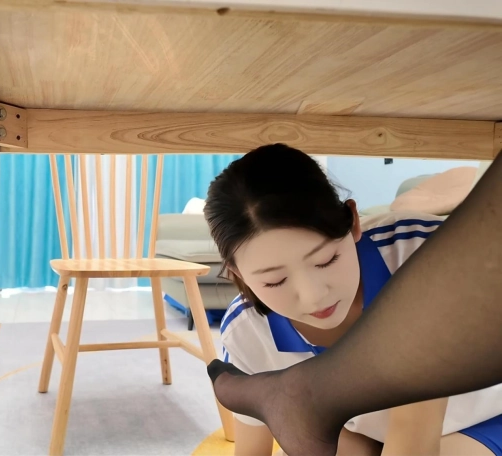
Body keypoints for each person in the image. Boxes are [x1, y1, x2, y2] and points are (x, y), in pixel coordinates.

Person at [202, 143, 502, 456]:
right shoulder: (247, 329)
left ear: (354, 222)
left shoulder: (428, 253)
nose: (314, 297)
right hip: (370, 435)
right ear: (237, 272)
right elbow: (251, 450)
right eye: (275, 281)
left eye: (326, 260)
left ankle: (301, 396)